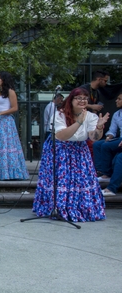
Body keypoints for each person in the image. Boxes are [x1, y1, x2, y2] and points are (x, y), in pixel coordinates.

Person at [33, 87, 109, 221]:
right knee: (61, 182)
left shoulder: (91, 116)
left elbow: (94, 137)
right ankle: (59, 208)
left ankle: (80, 208)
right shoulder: (59, 115)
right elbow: (62, 136)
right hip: (60, 149)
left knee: (81, 181)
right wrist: (79, 122)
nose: (82, 101)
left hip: (80, 150)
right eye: (79, 98)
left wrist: (99, 127)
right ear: (71, 100)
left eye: (85, 98)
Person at [94, 91, 122, 184]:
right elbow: (112, 131)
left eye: (119, 99)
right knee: (97, 144)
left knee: (106, 146)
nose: (116, 101)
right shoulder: (117, 114)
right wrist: (109, 137)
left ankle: (107, 174)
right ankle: (100, 172)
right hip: (119, 138)